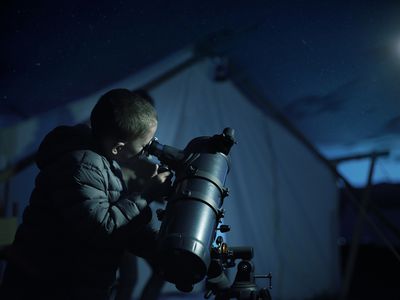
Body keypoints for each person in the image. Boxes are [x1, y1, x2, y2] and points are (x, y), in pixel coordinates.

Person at [0, 88, 171, 300]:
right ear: (118, 147)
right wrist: (146, 195)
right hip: (44, 288)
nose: (151, 150)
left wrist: (164, 248)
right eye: (146, 145)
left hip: (72, 286)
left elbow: (122, 231)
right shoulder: (80, 165)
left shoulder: (106, 161)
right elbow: (102, 228)